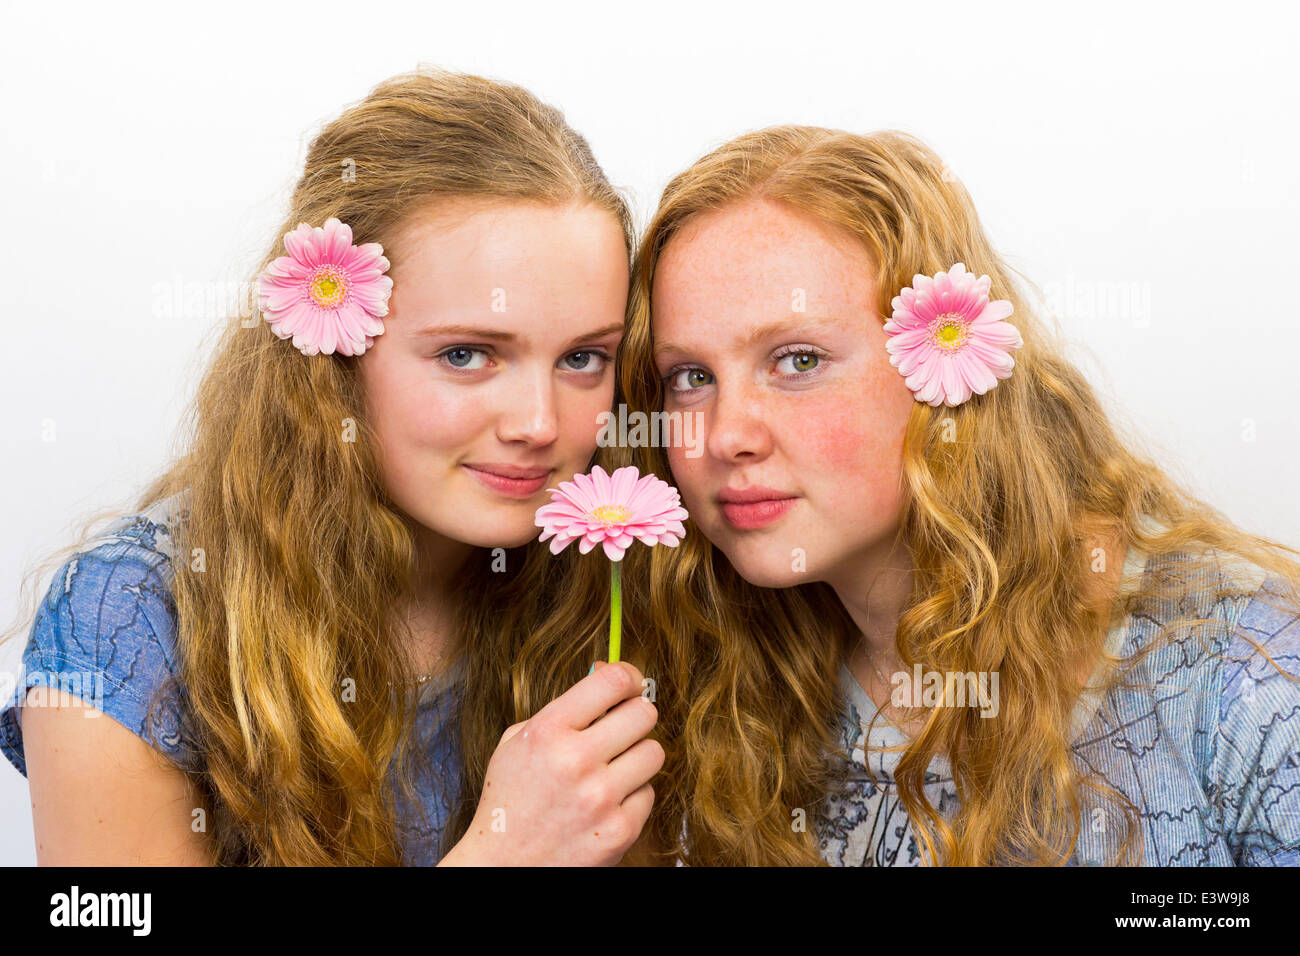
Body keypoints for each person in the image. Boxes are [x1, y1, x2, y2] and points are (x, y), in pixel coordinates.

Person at [0, 68, 663, 866]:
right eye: (467, 354)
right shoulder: (135, 623)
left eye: (584, 358)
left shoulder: (609, 581)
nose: (540, 424)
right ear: (334, 354)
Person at [613, 125, 1300, 865]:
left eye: (798, 360)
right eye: (690, 376)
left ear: (946, 368)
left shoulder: (1244, 683)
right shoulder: (723, 683)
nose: (724, 437)